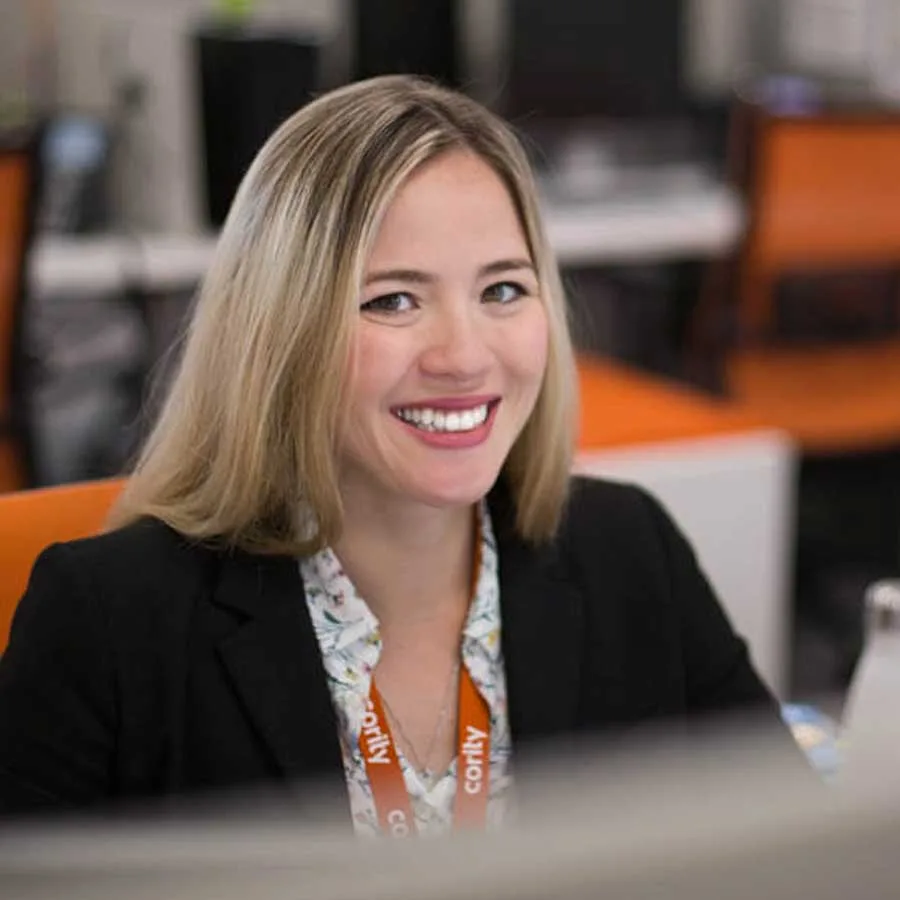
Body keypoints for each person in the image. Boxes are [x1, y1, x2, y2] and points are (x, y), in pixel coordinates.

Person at [0, 76, 795, 833]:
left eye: (503, 290)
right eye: (393, 300)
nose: (464, 354)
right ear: (281, 332)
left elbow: (795, 855)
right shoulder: (107, 625)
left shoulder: (631, 552)